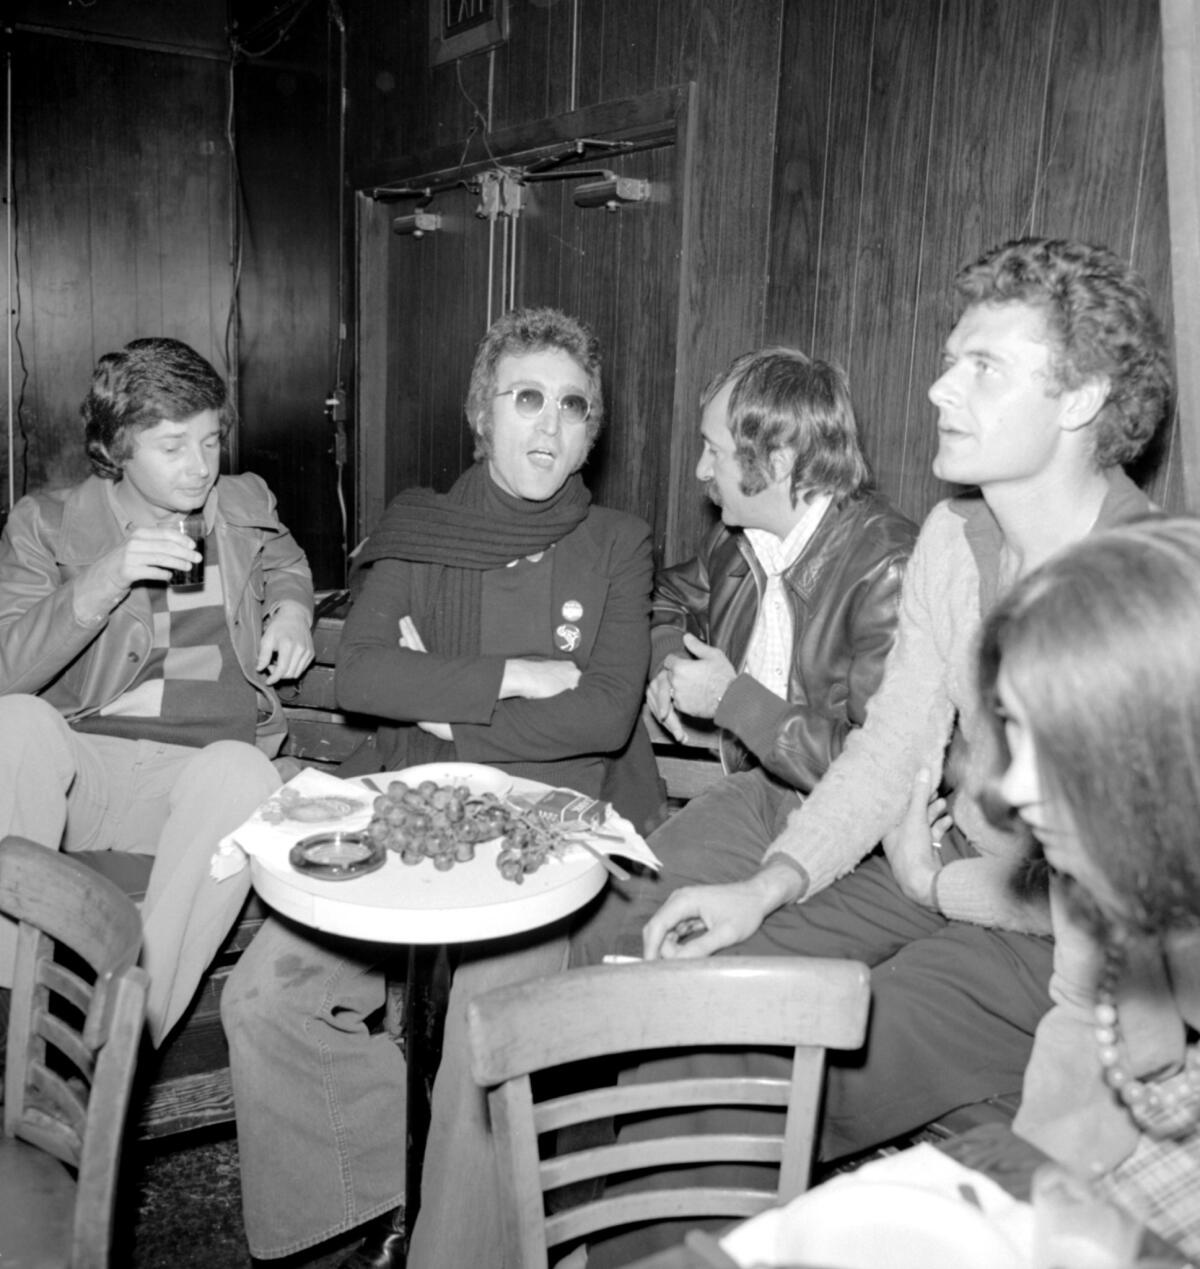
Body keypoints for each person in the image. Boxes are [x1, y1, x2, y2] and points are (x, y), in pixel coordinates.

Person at [569, 236, 1173, 1265]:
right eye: (950, 356)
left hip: (1052, 945)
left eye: (984, 365)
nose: (940, 385)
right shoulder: (956, 537)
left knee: (740, 1074)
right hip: (930, 868)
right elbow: (892, 746)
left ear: (1081, 400)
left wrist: (945, 888)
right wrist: (768, 887)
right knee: (683, 992)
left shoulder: (1139, 590)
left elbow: (1130, 924)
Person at [220, 307, 654, 1268]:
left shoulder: (619, 542)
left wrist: (450, 706)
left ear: (593, 431)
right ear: (481, 416)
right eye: (526, 398)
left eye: (573, 407)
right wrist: (508, 677)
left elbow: (602, 719)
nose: (549, 426)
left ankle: (455, 1233)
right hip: (413, 816)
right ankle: (391, 1188)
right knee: (262, 998)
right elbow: (366, 676)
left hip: (548, 840)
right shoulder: (421, 526)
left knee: (481, 1048)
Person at [0, 336, 315, 1045]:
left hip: (194, 786)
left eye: (210, 441)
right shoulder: (45, 526)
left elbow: (286, 556)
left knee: (244, 770)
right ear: (116, 445)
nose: (200, 466)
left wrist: (292, 607)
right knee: (14, 723)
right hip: (82, 776)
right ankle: (9, 1015)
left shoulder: (241, 500)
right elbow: (6, 669)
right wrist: (105, 579)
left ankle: (118, 1040)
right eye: (172, 446)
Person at [979, 516, 1200, 1258]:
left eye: (1066, 739)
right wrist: (1020, 1189)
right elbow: (1106, 1035)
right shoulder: (1114, 867)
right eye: (1014, 725)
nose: (1012, 788)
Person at [641, 345, 917, 923]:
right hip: (756, 793)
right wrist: (670, 663)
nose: (700, 470)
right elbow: (667, 598)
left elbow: (881, 773)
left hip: (858, 838)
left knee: (703, 950)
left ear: (780, 458)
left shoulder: (888, 570)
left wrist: (729, 700)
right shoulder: (739, 539)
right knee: (630, 903)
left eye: (713, 450)